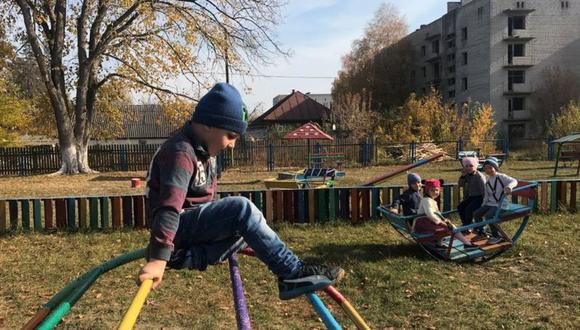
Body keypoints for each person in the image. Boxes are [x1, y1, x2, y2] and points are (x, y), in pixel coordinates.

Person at [138, 83, 344, 300]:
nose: (233, 145)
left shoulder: (205, 152)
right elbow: (169, 207)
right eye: (230, 135)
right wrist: (158, 258)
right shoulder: (180, 153)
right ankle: (291, 272)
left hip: (189, 231)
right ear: (208, 125)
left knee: (250, 230)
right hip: (176, 226)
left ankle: (186, 257)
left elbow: (205, 202)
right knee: (242, 210)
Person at [413, 179, 478, 249]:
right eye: (432, 190)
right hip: (424, 225)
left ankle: (439, 244)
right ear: (427, 191)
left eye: (437, 190)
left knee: (449, 225)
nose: (435, 192)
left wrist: (443, 220)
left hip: (427, 223)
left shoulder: (431, 200)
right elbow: (430, 214)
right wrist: (442, 222)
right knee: (450, 227)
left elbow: (436, 214)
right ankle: (467, 244)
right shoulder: (427, 200)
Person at [473, 157, 518, 245]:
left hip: (501, 204)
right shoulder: (488, 182)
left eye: (490, 167)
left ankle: (496, 236)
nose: (488, 170)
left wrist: (509, 187)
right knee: (476, 213)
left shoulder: (501, 177)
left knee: (489, 216)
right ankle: (482, 232)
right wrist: (483, 206)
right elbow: (487, 196)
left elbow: (514, 181)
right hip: (491, 203)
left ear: (495, 167)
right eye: (486, 168)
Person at [457, 157, 486, 231]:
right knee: (460, 207)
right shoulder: (467, 175)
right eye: (466, 166)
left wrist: (484, 202)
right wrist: (462, 176)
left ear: (475, 166)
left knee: (468, 209)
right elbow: (460, 185)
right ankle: (465, 224)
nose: (469, 168)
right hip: (472, 196)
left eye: (471, 166)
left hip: (480, 197)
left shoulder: (479, 176)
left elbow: (484, 189)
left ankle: (468, 225)